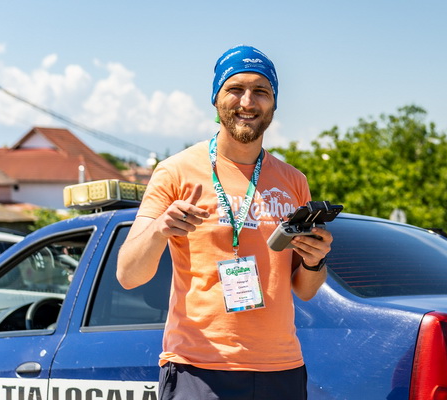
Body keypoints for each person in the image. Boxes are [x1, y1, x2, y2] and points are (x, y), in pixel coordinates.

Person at [117, 44, 333, 400]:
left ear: (274, 103)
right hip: (198, 368)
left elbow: (305, 289)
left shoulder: (293, 181)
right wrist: (159, 229)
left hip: (281, 369)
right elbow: (128, 275)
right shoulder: (175, 172)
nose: (247, 102)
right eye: (235, 89)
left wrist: (315, 260)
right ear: (216, 98)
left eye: (261, 91)